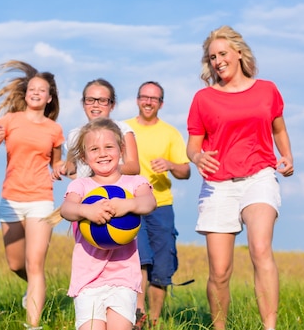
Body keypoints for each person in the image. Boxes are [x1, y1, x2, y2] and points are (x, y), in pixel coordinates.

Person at [186, 25, 294, 330]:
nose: (218, 61)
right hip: (218, 185)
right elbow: (193, 145)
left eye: (222, 54)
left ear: (239, 53)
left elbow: (278, 128)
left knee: (260, 248)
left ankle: (269, 327)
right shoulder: (203, 98)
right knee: (219, 271)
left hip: (259, 175)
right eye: (212, 57)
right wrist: (197, 157)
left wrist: (286, 155)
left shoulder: (267, 89)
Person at [0, 60, 64, 330]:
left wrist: (62, 169)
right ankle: (34, 290)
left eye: (42, 90)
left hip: (41, 199)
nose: (36, 93)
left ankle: (33, 325)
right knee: (16, 264)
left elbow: (56, 163)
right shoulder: (8, 120)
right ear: (26, 93)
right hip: (11, 199)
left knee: (35, 263)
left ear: (50, 98)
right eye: (32, 89)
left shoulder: (54, 129)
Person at [59, 117, 157, 330]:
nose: (102, 153)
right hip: (87, 279)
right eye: (94, 149)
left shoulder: (134, 183)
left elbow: (149, 203)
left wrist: (127, 205)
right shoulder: (81, 185)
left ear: (122, 149)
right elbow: (66, 209)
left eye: (109, 147)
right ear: (84, 157)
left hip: (123, 277)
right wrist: (87, 210)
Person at [125, 81, 191, 329]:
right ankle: (138, 319)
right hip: (131, 204)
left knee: (161, 270)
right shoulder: (124, 128)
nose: (148, 102)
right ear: (137, 99)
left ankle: (154, 321)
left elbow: (185, 171)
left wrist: (171, 165)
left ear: (161, 103)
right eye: (144, 97)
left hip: (161, 206)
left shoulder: (170, 133)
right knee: (140, 261)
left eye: (154, 98)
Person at [63, 78, 139, 178]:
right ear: (83, 104)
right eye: (90, 100)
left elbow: (134, 167)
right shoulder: (74, 135)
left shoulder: (123, 129)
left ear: (112, 105)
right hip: (87, 192)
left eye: (102, 101)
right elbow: (71, 167)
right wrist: (63, 169)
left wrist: (106, 168)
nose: (95, 105)